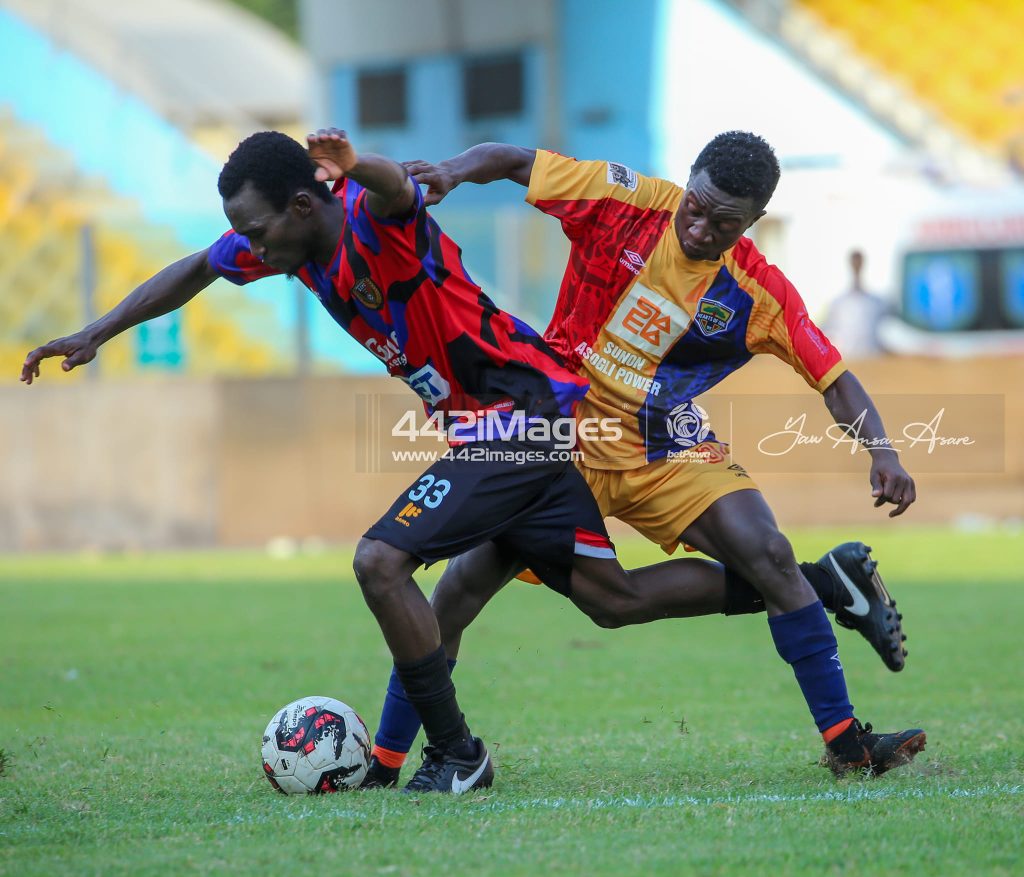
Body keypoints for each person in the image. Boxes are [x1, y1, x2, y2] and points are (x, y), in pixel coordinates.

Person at [20, 128, 842, 795]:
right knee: (607, 600)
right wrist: (98, 331)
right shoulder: (287, 249)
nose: (247, 244)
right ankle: (812, 583)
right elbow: (196, 269)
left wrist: (358, 163)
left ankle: (459, 754)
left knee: (382, 561)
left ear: (306, 203)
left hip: (525, 417)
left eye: (257, 227)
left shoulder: (374, 226)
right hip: (518, 431)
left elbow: (393, 188)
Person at [362, 132, 925, 788]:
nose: (700, 226)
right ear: (686, 182)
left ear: (754, 224)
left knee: (766, 553)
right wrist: (452, 171)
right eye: (696, 205)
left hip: (665, 444)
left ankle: (846, 742)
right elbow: (517, 161)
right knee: (463, 592)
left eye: (724, 222)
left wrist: (881, 450)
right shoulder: (623, 202)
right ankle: (385, 762)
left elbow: (834, 377)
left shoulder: (758, 290)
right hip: (557, 437)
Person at [823, 250, 889, 358]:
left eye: (859, 261)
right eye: (855, 261)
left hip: (872, 360)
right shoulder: (839, 304)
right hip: (849, 360)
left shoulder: (876, 303)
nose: (857, 264)